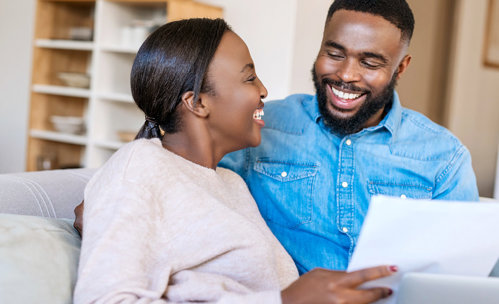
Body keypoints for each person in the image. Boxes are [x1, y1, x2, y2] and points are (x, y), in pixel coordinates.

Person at [74, 18, 396, 304]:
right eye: (249, 78)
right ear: (198, 102)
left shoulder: (229, 182)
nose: (264, 90)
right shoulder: (140, 168)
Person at [219, 0, 479, 275]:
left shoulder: (444, 158)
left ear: (401, 68)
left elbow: (457, 276)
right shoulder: (260, 126)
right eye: (334, 54)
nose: (345, 75)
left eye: (369, 62)